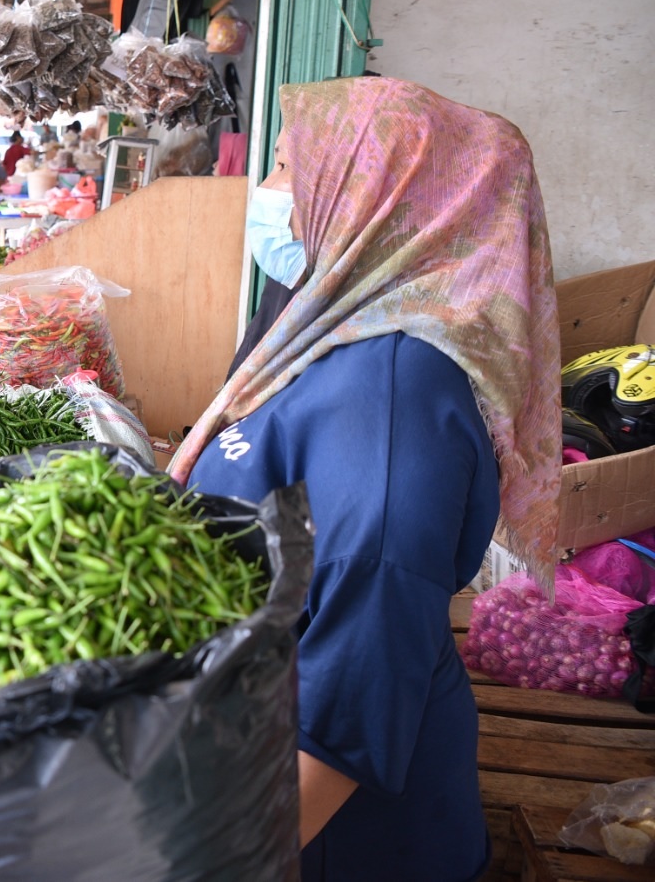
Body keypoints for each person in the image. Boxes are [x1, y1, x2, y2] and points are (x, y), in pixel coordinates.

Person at [171, 77, 559, 881]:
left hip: (334, 839)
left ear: (376, 195)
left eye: (285, 168)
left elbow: (345, 708)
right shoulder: (335, 332)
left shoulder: (394, 399)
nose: (271, 193)